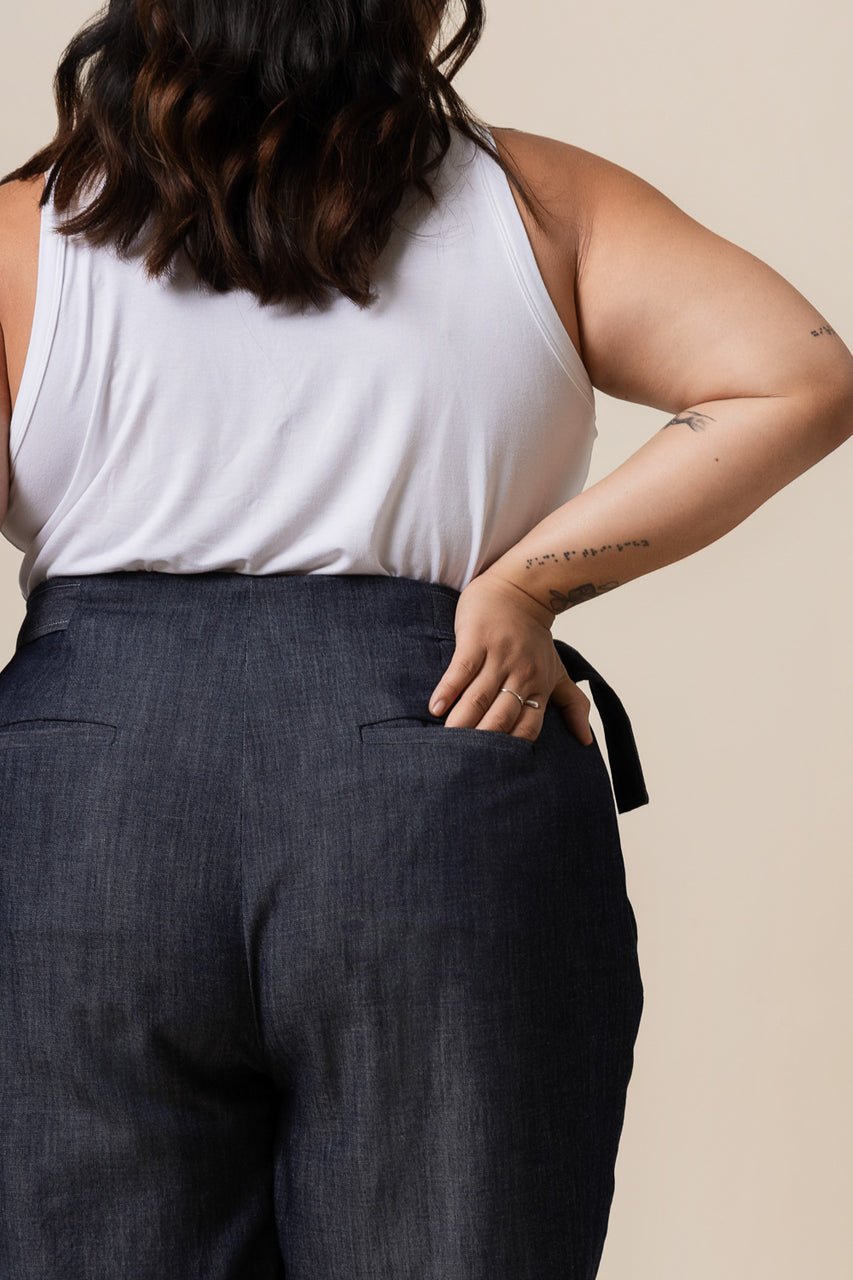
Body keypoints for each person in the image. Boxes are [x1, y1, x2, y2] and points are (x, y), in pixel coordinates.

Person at [0, 2, 850, 1277]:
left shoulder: (21, 235)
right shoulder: (542, 207)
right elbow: (799, 373)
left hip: (84, 804)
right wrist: (527, 587)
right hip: (441, 753)